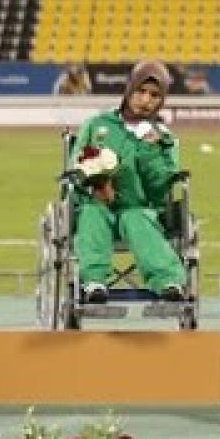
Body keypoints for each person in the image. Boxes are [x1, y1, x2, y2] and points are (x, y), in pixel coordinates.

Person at [70, 60, 186, 303]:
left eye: (155, 95)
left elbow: (158, 188)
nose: (146, 100)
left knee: (137, 218)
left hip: (139, 208)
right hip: (99, 203)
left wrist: (149, 150)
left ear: (162, 100)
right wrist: (96, 185)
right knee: (92, 214)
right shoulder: (97, 125)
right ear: (129, 90)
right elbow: (76, 166)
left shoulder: (165, 139)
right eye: (141, 92)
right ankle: (93, 283)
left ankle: (168, 283)